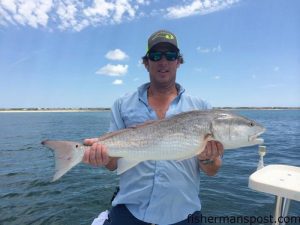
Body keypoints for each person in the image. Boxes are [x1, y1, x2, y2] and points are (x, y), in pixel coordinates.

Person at [83, 30, 224, 225]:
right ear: (146, 62)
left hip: (183, 215)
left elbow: (212, 170)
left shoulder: (202, 109)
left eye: (171, 55)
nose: (163, 62)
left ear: (179, 62)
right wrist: (101, 156)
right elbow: (113, 164)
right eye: (156, 56)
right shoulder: (122, 104)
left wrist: (208, 158)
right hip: (129, 213)